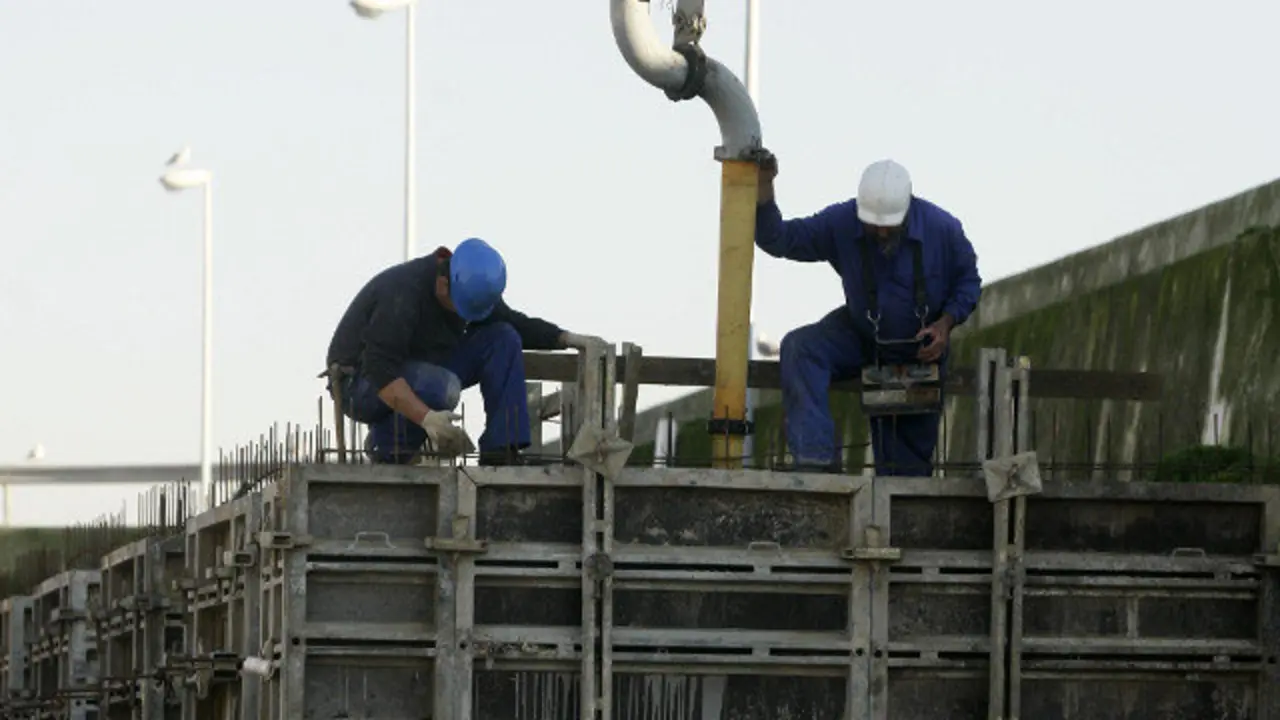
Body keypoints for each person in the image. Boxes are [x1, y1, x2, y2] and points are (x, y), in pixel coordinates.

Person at [755, 157, 982, 476]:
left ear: (907, 211)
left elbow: (969, 282)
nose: (879, 232)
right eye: (872, 224)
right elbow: (779, 239)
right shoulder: (842, 222)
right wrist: (764, 186)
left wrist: (944, 325)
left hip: (919, 351)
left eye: (887, 226)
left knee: (902, 474)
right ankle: (814, 463)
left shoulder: (943, 229)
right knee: (801, 348)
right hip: (860, 336)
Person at [325, 237, 607, 466]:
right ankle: (386, 445)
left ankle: (501, 450)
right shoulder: (402, 293)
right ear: (443, 283)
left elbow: (514, 323)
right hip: (359, 382)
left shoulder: (468, 288)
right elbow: (379, 368)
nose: (465, 317)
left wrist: (566, 338)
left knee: (503, 337)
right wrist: (427, 418)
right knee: (441, 387)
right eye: (462, 309)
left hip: (423, 368)